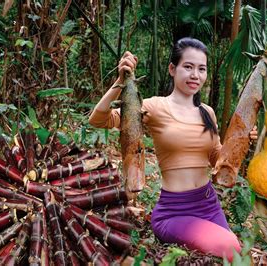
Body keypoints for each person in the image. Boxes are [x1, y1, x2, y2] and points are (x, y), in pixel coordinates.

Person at [88, 37, 258, 262]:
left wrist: (241, 142)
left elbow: (215, 157)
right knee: (231, 246)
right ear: (172, 69)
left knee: (238, 257)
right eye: (188, 67)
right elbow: (99, 120)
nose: (195, 75)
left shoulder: (207, 112)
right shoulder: (154, 107)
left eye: (201, 69)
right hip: (174, 211)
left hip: (209, 204)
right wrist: (120, 82)